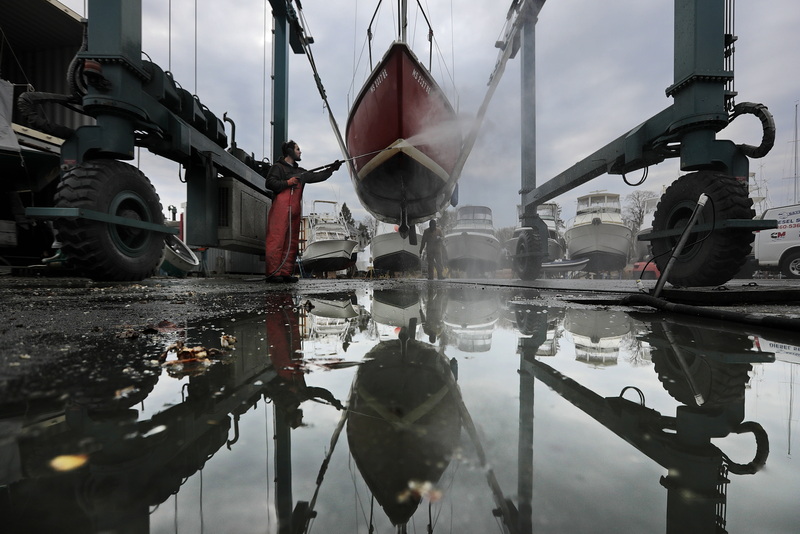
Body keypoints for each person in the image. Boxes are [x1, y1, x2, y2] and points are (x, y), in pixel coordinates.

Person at [264, 140, 341, 283]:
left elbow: (317, 176)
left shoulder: (301, 172)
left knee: (292, 241)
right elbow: (269, 183)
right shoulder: (278, 167)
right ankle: (274, 273)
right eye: (298, 149)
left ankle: (286, 272)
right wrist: (287, 183)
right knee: (277, 239)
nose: (300, 152)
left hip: (295, 210)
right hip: (280, 210)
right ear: (289, 151)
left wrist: (331, 169)